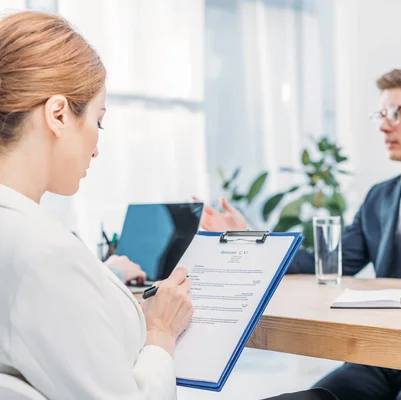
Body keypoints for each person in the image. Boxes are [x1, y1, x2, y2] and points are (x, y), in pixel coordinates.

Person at [0, 11, 335, 400]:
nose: (97, 146)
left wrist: (103, 278)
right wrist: (161, 330)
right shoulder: (46, 255)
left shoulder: (27, 239)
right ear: (58, 114)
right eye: (99, 121)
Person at [201, 69, 401, 400]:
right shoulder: (379, 198)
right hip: (384, 356)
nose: (384, 125)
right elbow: (330, 261)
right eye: (381, 114)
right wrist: (250, 240)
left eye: (397, 113)